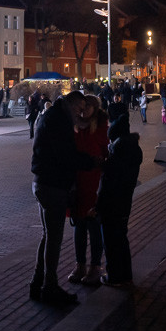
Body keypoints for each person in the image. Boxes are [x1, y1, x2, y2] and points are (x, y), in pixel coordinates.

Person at [29, 90, 98, 307]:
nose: (80, 113)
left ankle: (38, 282)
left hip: (42, 182)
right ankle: (49, 286)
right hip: (53, 185)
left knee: (47, 235)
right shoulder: (59, 120)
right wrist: (91, 162)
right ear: (73, 104)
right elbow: (66, 155)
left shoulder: (52, 115)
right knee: (54, 238)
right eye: (79, 109)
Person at [67, 94, 108, 287]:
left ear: (95, 108)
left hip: (94, 184)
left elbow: (106, 154)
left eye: (88, 106)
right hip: (77, 184)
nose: (84, 110)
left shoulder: (100, 128)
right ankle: (80, 264)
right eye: (82, 106)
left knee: (94, 226)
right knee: (79, 226)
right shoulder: (74, 127)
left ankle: (95, 266)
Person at [97, 110, 141, 287]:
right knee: (121, 238)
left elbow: (108, 181)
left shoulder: (118, 151)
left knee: (111, 241)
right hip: (124, 202)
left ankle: (114, 276)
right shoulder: (132, 150)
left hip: (111, 204)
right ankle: (126, 275)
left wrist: (103, 164)